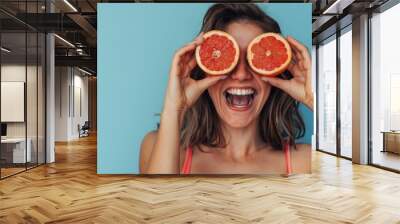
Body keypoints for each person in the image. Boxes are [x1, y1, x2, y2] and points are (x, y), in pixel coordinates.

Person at [140, 3, 313, 174]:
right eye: (230, 59)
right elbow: (157, 199)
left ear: (275, 72)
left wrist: (313, 98)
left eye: (255, 59)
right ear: (205, 71)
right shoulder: (158, 147)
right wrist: (174, 109)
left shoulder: (304, 161)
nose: (241, 74)